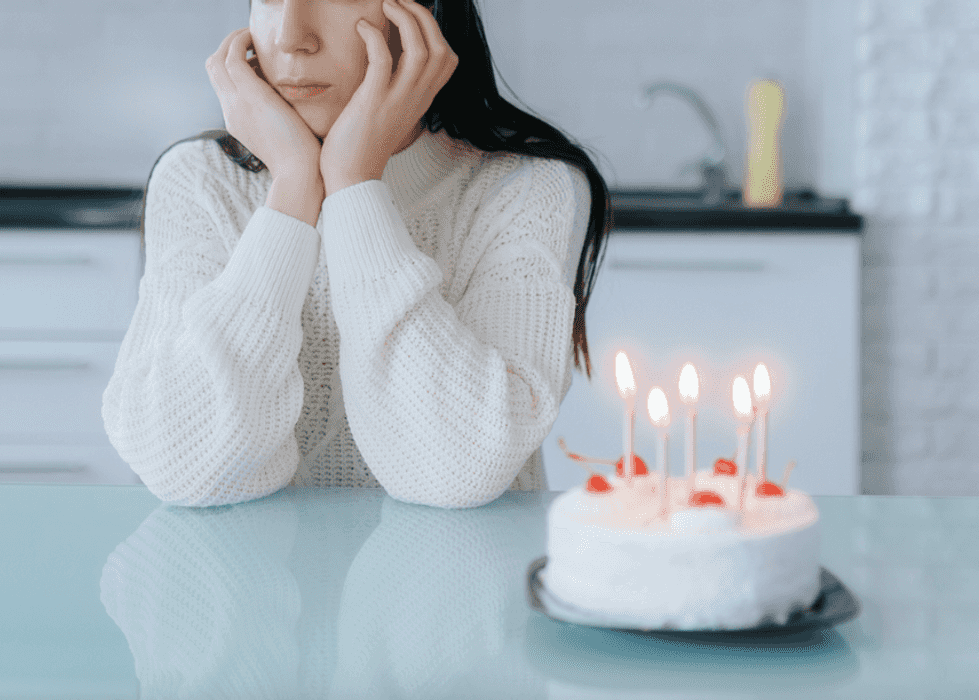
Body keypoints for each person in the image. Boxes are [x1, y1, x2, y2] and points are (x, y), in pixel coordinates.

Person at [102, 0, 611, 508]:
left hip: (459, 579)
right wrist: (294, 190)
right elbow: (184, 468)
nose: (292, 36)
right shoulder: (198, 180)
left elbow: (457, 470)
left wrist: (354, 186)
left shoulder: (527, 187)